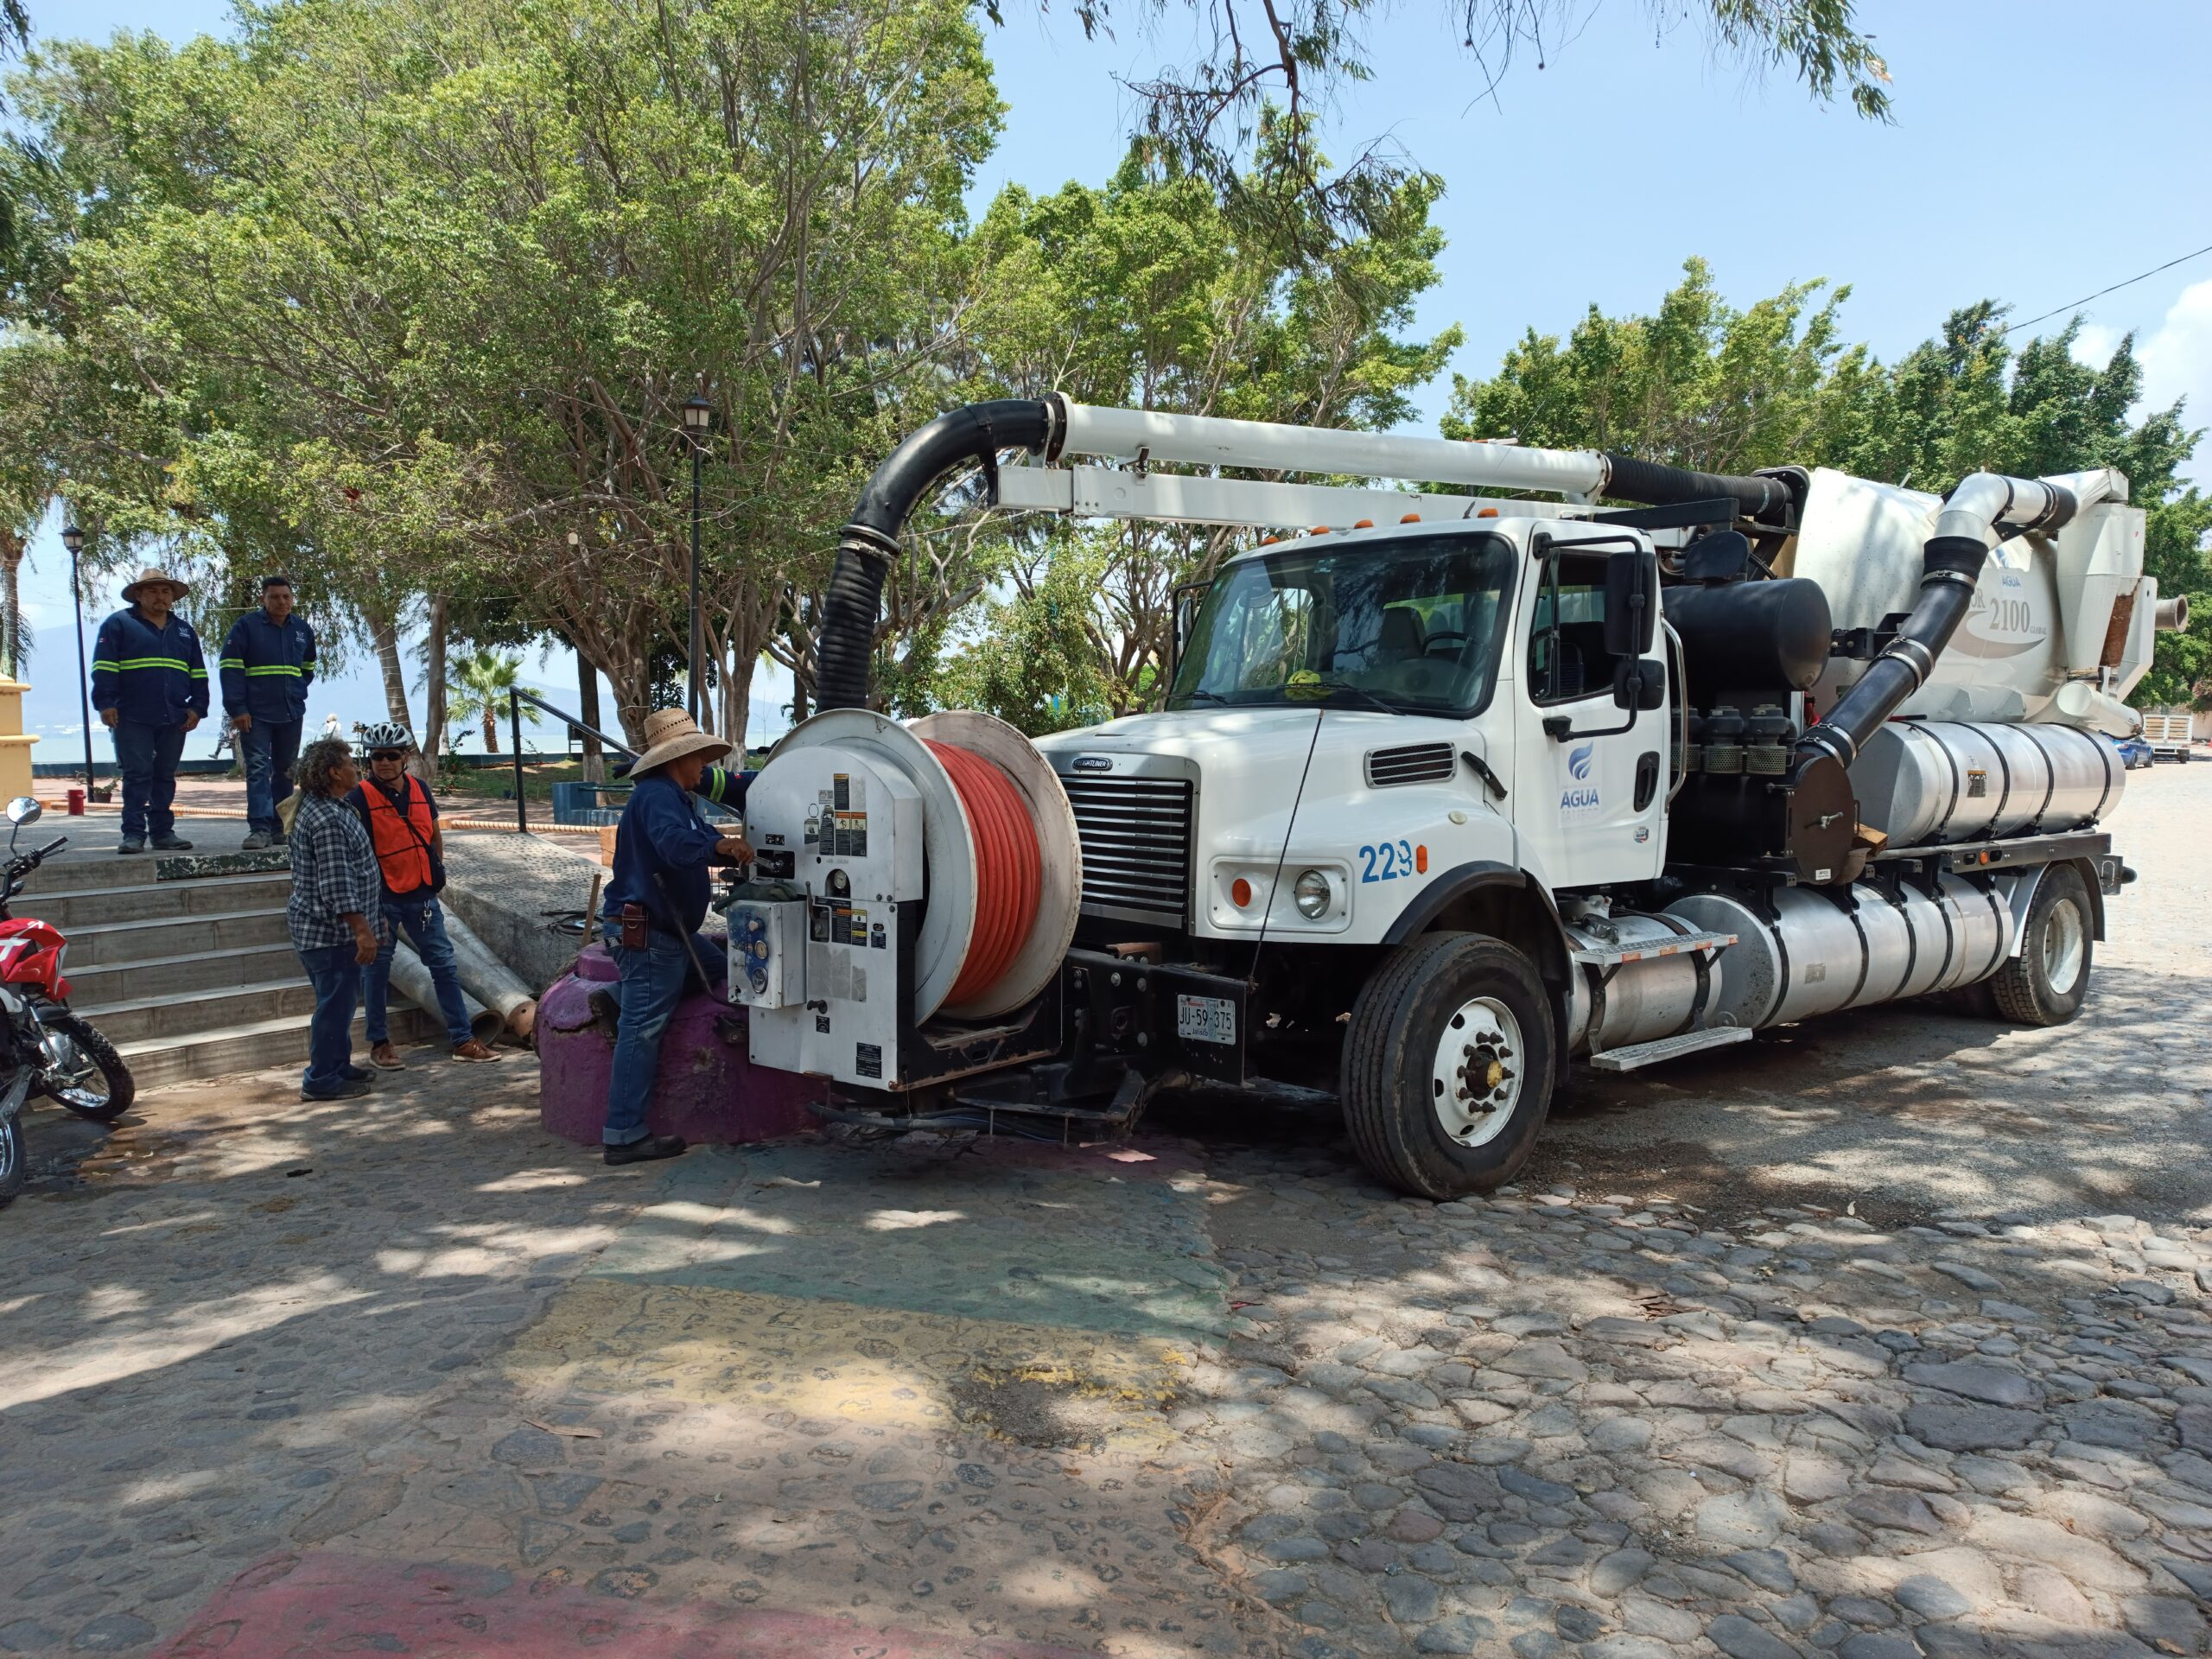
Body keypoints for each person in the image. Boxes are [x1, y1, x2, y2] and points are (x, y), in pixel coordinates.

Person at [598, 708, 750, 1166]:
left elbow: (697, 837)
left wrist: (725, 850)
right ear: (675, 758)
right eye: (698, 756)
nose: (704, 764)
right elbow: (675, 844)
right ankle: (624, 1135)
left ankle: (621, 995)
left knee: (718, 968)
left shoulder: (674, 797)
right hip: (651, 933)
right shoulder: (658, 798)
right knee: (643, 1030)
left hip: (669, 932)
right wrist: (718, 847)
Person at [343, 721, 499, 1068]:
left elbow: (433, 835)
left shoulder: (421, 790)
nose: (382, 763)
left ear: (406, 757)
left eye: (390, 756)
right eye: (376, 756)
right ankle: (380, 1044)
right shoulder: (358, 798)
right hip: (381, 898)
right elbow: (355, 854)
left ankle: (462, 1039)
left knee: (444, 964)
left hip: (421, 895)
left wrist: (435, 871)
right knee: (378, 970)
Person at [286, 736, 381, 1101]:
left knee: (339, 1003)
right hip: (329, 934)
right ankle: (321, 1079)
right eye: (350, 762)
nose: (356, 767)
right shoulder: (327, 818)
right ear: (332, 772)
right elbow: (337, 884)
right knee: (334, 1006)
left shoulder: (331, 806)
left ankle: (339, 1065)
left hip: (329, 932)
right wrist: (362, 931)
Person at [90, 566, 209, 855]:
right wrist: (105, 704)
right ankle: (132, 834)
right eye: (153, 590)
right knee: (137, 774)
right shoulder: (118, 624)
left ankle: (162, 832)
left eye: (166, 591)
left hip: (174, 716)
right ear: (139, 595)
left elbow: (198, 673)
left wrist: (197, 707)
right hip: (131, 714)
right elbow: (104, 668)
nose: (161, 596)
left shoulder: (184, 630)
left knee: (165, 775)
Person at [219, 573, 316, 851]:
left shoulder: (302, 630)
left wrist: (296, 692)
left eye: (286, 596)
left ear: (292, 599)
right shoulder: (245, 627)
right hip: (255, 715)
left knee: (286, 771)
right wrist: (238, 708)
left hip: (291, 712)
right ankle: (259, 829)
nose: (281, 602)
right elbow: (230, 669)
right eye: (274, 597)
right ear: (263, 599)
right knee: (259, 769)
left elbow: (308, 667)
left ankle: (281, 828)